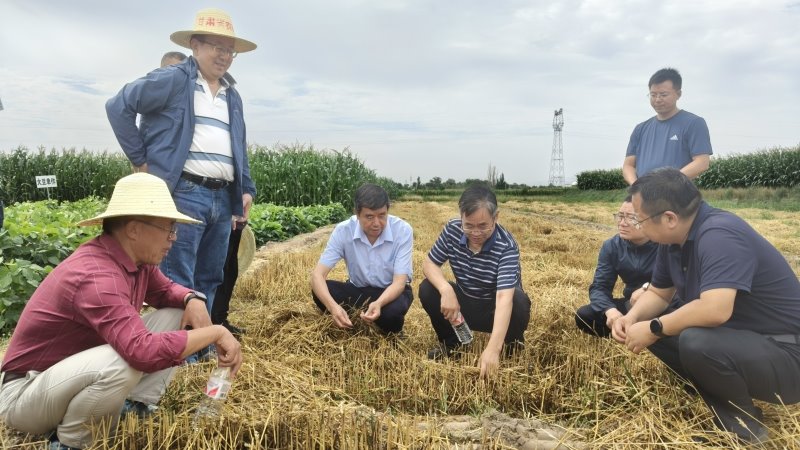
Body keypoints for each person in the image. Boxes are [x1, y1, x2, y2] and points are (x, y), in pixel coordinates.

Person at [0, 173, 243, 450]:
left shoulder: (136, 262)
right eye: (169, 229)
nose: (173, 238)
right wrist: (216, 332)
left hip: (65, 377)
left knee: (177, 314)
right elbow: (141, 352)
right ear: (134, 230)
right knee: (121, 362)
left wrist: (192, 298)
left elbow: (166, 291)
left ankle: (133, 405)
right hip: (25, 394)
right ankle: (73, 442)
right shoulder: (97, 276)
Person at [611, 167, 800, 444]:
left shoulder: (719, 235)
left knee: (693, 340)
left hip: (788, 354)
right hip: (747, 343)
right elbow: (660, 294)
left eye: (639, 219)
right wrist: (632, 318)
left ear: (669, 218)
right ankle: (713, 386)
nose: (636, 225)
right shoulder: (672, 240)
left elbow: (715, 310)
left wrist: (653, 328)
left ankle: (743, 430)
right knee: (657, 321)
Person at [106, 8, 257, 337]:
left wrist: (245, 188)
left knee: (210, 277)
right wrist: (140, 161)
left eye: (229, 50)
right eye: (216, 47)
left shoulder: (232, 96)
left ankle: (202, 346)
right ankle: (179, 353)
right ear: (195, 46)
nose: (224, 56)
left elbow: (238, 145)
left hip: (222, 197)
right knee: (179, 279)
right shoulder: (173, 80)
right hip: (184, 193)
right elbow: (117, 107)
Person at [420, 185, 531, 379]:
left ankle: (510, 348)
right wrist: (446, 290)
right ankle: (453, 344)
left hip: (494, 310)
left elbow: (504, 298)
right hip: (464, 304)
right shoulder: (452, 230)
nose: (476, 233)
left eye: (483, 226)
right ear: (461, 217)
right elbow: (429, 264)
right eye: (469, 225)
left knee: (519, 300)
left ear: (496, 218)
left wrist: (493, 349)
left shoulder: (506, 246)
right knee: (427, 289)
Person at [311, 184, 414, 335]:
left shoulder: (402, 230)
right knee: (321, 292)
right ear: (357, 214)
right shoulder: (344, 230)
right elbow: (317, 275)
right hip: (358, 290)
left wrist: (379, 303)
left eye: (382, 215)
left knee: (392, 314)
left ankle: (380, 321)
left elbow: (399, 283)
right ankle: (354, 318)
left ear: (388, 211)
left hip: (391, 291)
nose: (377, 223)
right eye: (369, 217)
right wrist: (333, 307)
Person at [574, 196, 658, 337]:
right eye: (620, 216)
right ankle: (632, 331)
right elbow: (600, 287)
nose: (622, 223)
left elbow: (681, 282)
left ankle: (651, 331)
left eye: (631, 218)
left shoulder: (666, 243)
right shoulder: (612, 246)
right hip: (631, 305)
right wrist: (610, 311)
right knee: (585, 316)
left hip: (662, 304)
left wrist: (649, 288)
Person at [622, 68, 713, 185]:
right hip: (642, 193)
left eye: (663, 95)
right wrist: (636, 186)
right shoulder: (640, 129)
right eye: (653, 95)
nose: (657, 99)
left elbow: (702, 163)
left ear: (678, 94)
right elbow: (628, 165)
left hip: (677, 193)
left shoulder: (694, 123)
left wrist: (666, 183)